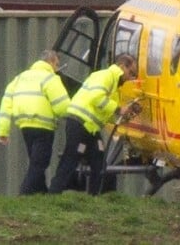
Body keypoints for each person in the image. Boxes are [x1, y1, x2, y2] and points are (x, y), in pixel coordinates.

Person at [49, 53, 138, 195]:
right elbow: (97, 98)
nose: (131, 77)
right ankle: (54, 192)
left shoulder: (114, 85)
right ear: (122, 67)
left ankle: (95, 196)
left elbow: (103, 110)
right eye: (131, 72)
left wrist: (121, 116)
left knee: (99, 161)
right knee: (71, 158)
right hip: (80, 123)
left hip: (90, 127)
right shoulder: (106, 77)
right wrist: (118, 109)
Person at [0, 49, 70, 195]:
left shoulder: (19, 78)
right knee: (40, 163)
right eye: (57, 64)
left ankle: (41, 193)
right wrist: (74, 116)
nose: (57, 68)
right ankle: (24, 193)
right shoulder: (50, 78)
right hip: (43, 126)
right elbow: (62, 105)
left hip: (25, 126)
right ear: (50, 62)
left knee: (35, 160)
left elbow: (6, 104)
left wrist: (3, 131)